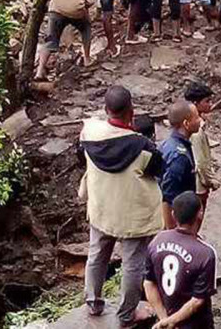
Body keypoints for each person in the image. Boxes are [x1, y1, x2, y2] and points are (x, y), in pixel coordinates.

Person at [81, 85, 163, 326]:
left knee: (96, 255)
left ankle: (93, 302)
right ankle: (126, 315)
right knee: (132, 265)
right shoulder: (142, 147)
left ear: (106, 110)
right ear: (131, 112)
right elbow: (159, 170)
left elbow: (81, 156)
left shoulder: (89, 135)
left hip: (101, 209)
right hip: (132, 216)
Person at [143, 191, 217, 329]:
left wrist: (164, 319)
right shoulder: (206, 253)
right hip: (196, 323)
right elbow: (197, 300)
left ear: (173, 215)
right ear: (200, 214)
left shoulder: (157, 240)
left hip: (166, 313)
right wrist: (172, 321)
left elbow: (148, 283)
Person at [35, 0, 96, 79]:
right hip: (76, 11)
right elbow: (90, 0)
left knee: (50, 40)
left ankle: (40, 71)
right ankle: (87, 59)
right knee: (86, 28)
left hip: (56, 9)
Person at [159, 100, 202, 230]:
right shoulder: (179, 157)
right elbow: (167, 197)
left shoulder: (169, 143)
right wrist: (171, 232)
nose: (200, 120)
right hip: (176, 217)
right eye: (197, 117)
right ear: (186, 124)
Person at [184, 81, 219, 214]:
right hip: (198, 185)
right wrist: (211, 181)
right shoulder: (196, 131)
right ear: (195, 103)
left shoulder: (186, 124)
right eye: (207, 101)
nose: (210, 104)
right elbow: (201, 163)